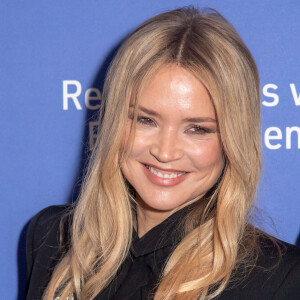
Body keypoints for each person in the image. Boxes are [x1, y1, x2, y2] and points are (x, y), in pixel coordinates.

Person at [25, 6, 300, 300]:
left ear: (234, 140)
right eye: (146, 119)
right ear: (114, 120)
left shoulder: (280, 279)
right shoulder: (53, 238)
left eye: (197, 128)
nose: (165, 152)